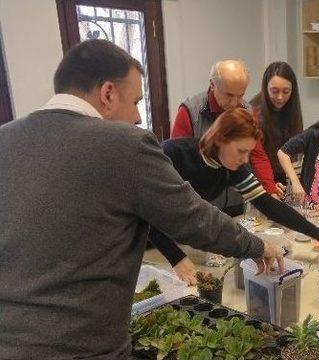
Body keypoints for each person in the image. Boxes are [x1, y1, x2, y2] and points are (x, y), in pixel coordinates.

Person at [0, 39, 283, 358]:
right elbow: (194, 219)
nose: (137, 116)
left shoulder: (5, 138)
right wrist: (257, 246)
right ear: (107, 93)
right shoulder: (125, 144)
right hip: (83, 347)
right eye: (135, 101)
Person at [150, 108, 319, 271]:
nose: (246, 160)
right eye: (241, 151)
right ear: (220, 139)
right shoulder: (172, 154)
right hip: (149, 242)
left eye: (249, 152)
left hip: (179, 241)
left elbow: (269, 205)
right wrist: (176, 258)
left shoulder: (231, 166)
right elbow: (146, 213)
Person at [171, 59, 280, 198]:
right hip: (202, 201)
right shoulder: (190, 111)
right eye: (228, 95)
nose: (235, 103)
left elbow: (257, 155)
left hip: (238, 199)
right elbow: (178, 165)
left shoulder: (247, 111)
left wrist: (270, 191)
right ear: (212, 84)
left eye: (240, 95)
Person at [249, 61, 303, 186]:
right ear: (265, 88)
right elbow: (255, 158)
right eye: (274, 91)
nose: (280, 97)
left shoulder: (292, 109)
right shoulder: (254, 113)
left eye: (286, 92)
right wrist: (269, 184)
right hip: (259, 175)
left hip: (281, 173)